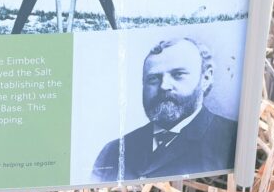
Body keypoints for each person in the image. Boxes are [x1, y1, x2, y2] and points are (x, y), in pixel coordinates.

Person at [92, 37, 237, 182]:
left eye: (178, 74)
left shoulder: (231, 139)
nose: (164, 86)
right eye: (153, 79)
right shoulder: (113, 152)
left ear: (205, 78)